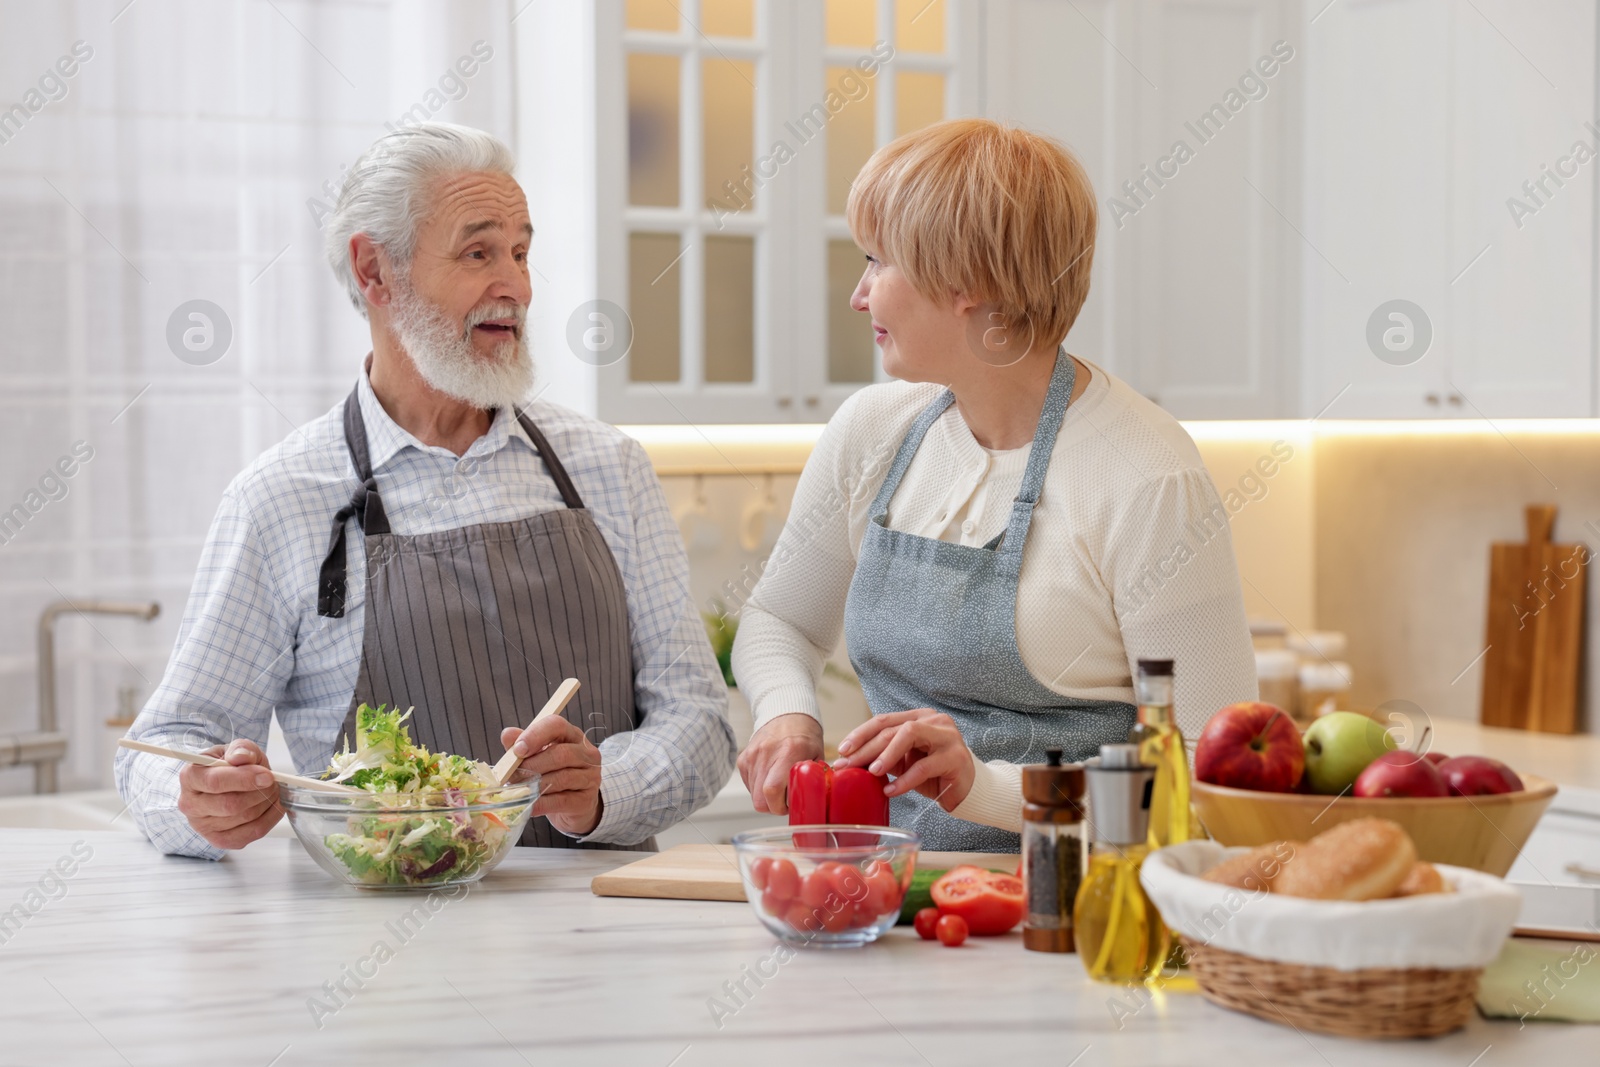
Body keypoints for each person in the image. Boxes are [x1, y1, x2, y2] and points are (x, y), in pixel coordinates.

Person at [116, 122, 734, 858]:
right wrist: (200, 800)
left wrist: (606, 792)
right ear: (375, 270)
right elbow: (164, 747)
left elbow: (700, 716)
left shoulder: (608, 467)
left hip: (598, 932)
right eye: (479, 252)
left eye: (520, 251)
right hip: (375, 950)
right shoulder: (281, 498)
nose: (516, 285)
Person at [732, 119, 1256, 852]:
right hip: (889, 895)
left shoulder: (1146, 477)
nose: (860, 294)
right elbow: (780, 619)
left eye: (879, 262)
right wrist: (787, 712)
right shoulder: (873, 429)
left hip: (1069, 913)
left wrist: (983, 785)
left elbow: (1209, 780)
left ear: (966, 286)